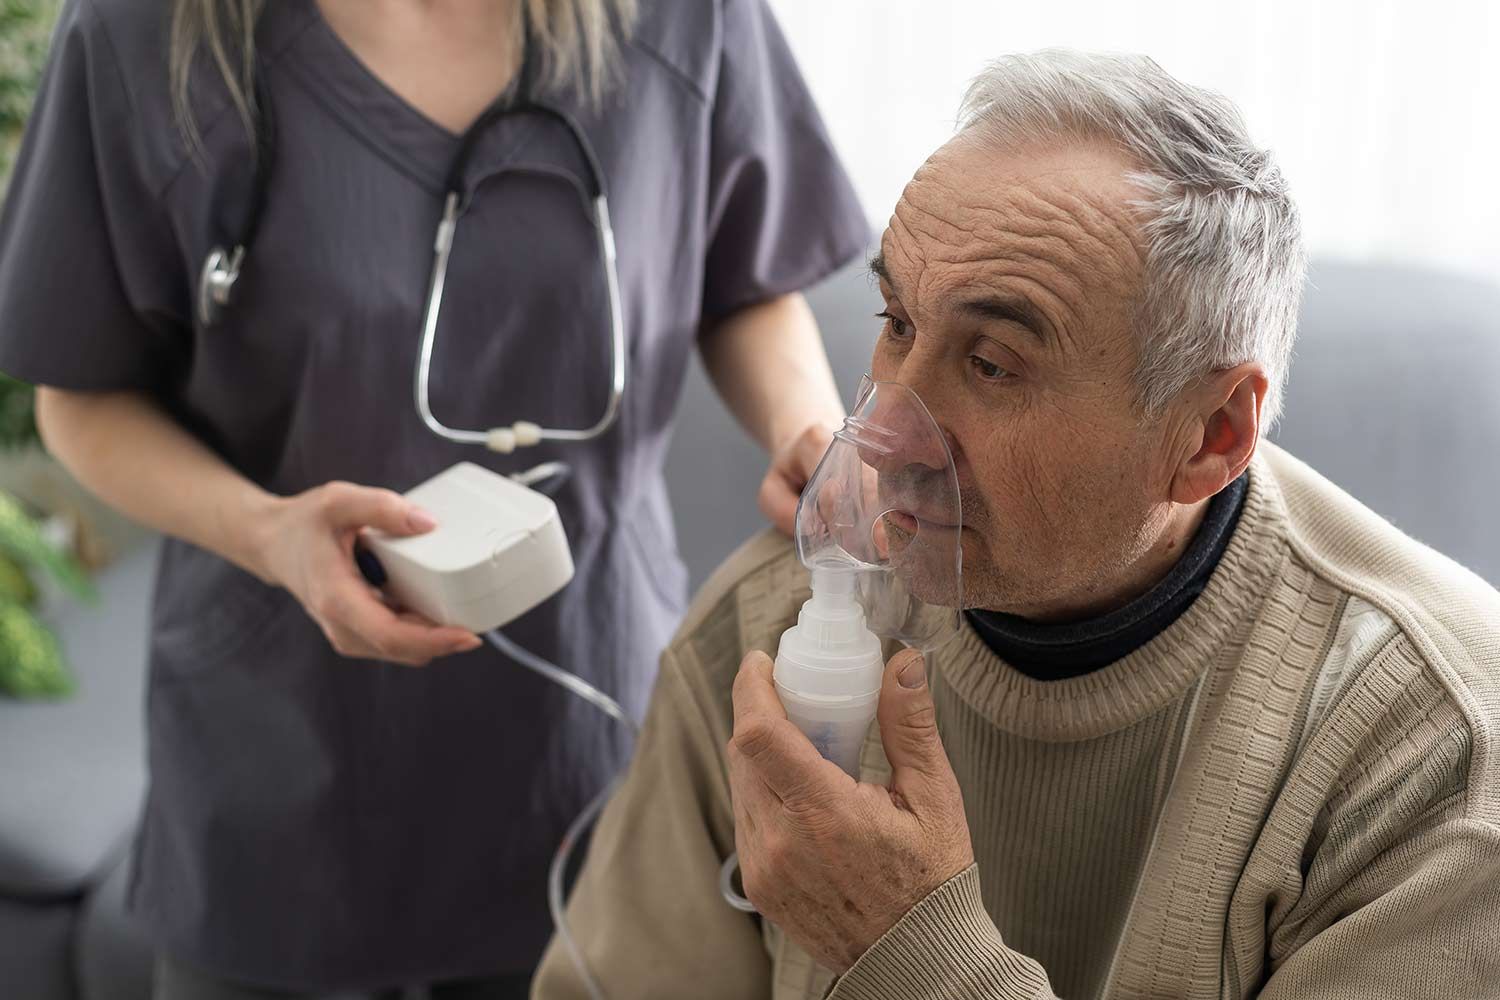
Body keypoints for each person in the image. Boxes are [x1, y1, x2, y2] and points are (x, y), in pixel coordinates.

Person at [532, 50, 1500, 999]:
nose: (885, 437)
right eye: (898, 322)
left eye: (992, 363)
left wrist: (912, 954)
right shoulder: (767, 630)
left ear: (1210, 433)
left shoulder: (1432, 753)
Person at [0, 0, 868, 996]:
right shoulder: (139, 37)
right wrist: (269, 532)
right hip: (279, 773)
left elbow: (744, 275)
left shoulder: (683, 20)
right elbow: (80, 394)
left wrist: (805, 427)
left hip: (589, 748)